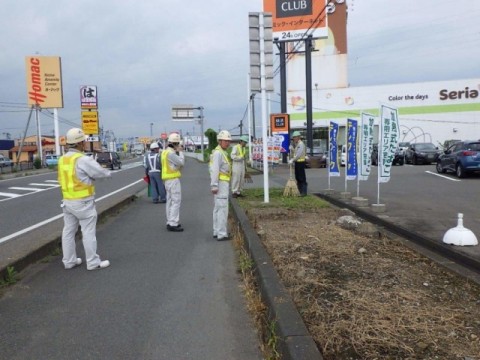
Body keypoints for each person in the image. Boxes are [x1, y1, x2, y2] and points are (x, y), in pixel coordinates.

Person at [58, 128, 111, 270]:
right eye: (84, 141)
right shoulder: (82, 159)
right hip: (83, 202)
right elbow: (102, 173)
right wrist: (103, 172)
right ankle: (93, 262)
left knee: (68, 231)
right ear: (80, 143)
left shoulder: (62, 159)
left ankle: (69, 261)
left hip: (67, 201)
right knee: (87, 231)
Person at [210, 130, 232, 241]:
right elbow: (215, 170)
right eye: (225, 141)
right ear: (220, 141)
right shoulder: (218, 153)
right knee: (222, 209)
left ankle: (216, 231)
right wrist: (214, 185)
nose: (227, 143)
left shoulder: (220, 152)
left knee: (218, 208)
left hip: (220, 183)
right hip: (221, 183)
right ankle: (222, 234)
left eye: (228, 141)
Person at [161, 133, 185, 232]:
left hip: (167, 180)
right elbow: (181, 162)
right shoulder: (171, 153)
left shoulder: (164, 152)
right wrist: (181, 152)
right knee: (176, 201)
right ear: (176, 143)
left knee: (170, 201)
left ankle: (169, 221)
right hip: (173, 179)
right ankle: (173, 223)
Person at [289, 131, 308, 196]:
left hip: (301, 162)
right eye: (293, 138)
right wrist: (291, 149)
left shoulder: (301, 144)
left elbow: (298, 155)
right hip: (297, 163)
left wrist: (293, 160)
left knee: (301, 177)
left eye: (294, 137)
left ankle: (304, 192)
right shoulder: (297, 144)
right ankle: (299, 191)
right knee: (297, 177)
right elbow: (294, 153)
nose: (293, 139)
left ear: (298, 137)